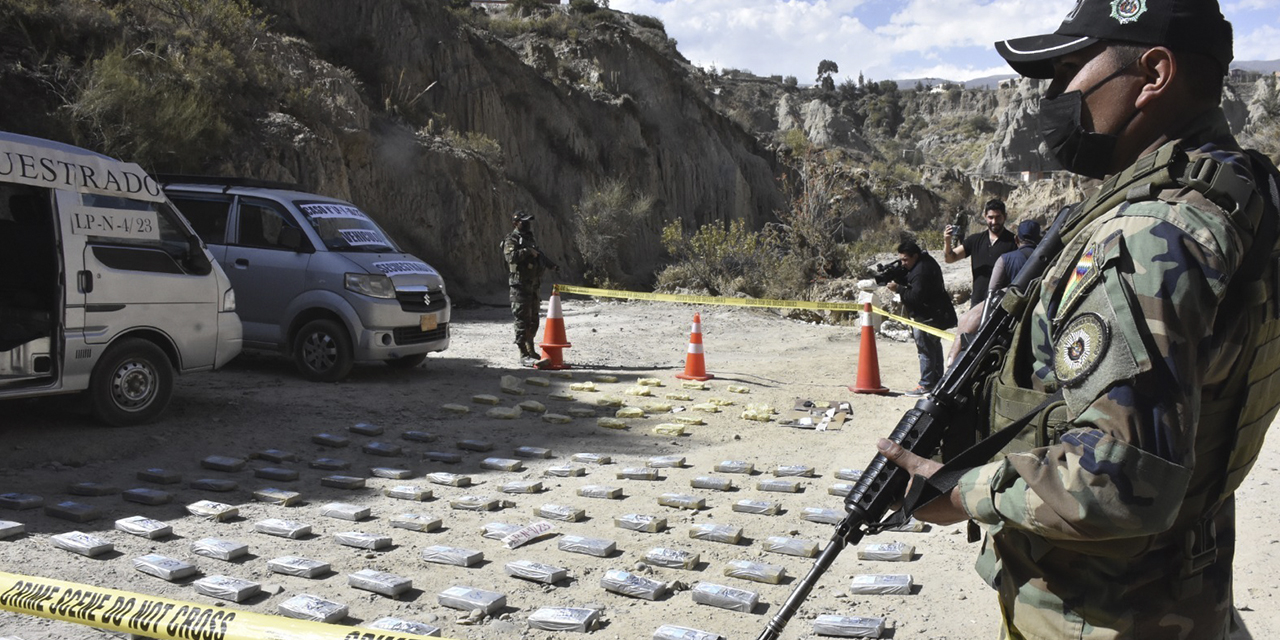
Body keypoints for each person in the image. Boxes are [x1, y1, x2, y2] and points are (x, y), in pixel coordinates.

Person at [875, 1, 1280, 639]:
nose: (1055, 94)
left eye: (1068, 70)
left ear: (1154, 73)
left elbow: (1120, 477)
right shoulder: (1240, 192)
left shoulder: (1144, 238)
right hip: (1185, 590)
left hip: (1097, 614)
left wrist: (961, 490)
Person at [885, 241, 956, 398]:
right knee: (934, 348)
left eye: (905, 260)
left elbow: (915, 297)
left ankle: (926, 384)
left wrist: (898, 289)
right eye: (901, 260)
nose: (903, 264)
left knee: (925, 350)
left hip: (926, 317)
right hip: (934, 314)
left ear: (915, 256)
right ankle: (937, 381)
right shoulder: (924, 262)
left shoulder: (921, 271)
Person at [502, 210, 557, 363]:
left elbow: (540, 256)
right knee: (522, 320)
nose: (527, 224)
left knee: (533, 320)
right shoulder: (511, 239)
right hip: (519, 286)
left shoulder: (529, 238)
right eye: (523, 221)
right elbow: (510, 258)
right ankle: (523, 353)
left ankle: (530, 350)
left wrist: (551, 265)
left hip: (533, 286)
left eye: (528, 221)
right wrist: (527, 251)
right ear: (515, 223)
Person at [944, 199, 1016, 307]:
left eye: (998, 217)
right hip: (978, 301)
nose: (994, 222)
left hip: (1001, 303)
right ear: (985, 216)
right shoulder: (975, 240)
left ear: (1004, 217)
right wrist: (947, 241)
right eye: (991, 217)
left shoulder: (1013, 242)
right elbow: (950, 258)